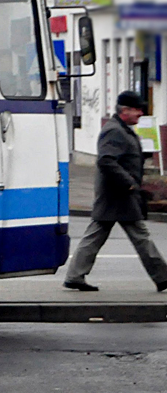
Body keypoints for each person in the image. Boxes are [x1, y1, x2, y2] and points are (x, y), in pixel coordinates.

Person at [64, 90, 167, 292]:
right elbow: (106, 160)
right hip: (119, 195)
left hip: (116, 195)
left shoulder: (122, 129)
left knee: (95, 236)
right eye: (137, 110)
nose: (140, 114)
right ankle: (163, 276)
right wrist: (128, 183)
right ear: (125, 110)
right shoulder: (115, 131)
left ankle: (74, 276)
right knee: (140, 236)